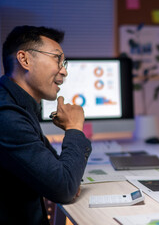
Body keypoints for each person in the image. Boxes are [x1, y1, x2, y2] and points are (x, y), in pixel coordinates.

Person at [0, 26, 92, 224]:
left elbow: (60, 175)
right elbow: (64, 187)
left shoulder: (21, 106)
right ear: (24, 60)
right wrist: (74, 127)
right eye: (57, 59)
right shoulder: (6, 116)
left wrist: (65, 179)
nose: (64, 71)